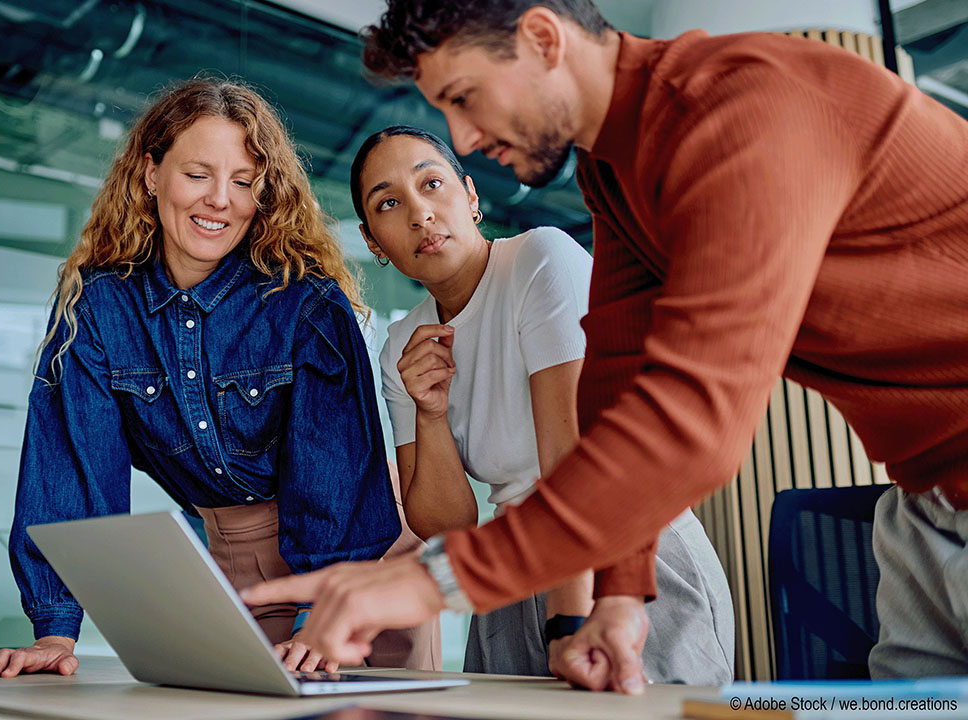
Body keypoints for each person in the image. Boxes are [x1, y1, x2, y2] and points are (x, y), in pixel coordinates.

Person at [243, 0, 968, 693]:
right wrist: (620, 594)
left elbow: (694, 425)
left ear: (542, 39)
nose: (463, 138)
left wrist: (421, 581)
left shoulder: (740, 112)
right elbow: (615, 400)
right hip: (924, 504)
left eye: (465, 99)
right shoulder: (615, 172)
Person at [0, 78, 438, 679]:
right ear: (150, 173)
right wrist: (55, 632)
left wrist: (323, 614)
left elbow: (335, 479)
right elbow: (72, 468)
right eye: (197, 175)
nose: (220, 200)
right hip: (229, 557)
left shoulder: (307, 307)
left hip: (356, 558)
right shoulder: (98, 309)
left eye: (243, 182)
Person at [354, 124, 733, 684]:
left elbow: (572, 467)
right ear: (372, 241)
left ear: (471, 196)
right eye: (389, 203)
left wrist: (568, 622)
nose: (419, 214)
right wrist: (430, 413)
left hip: (622, 557)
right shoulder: (402, 347)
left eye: (431, 184)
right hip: (513, 573)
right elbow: (447, 524)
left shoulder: (540, 259)